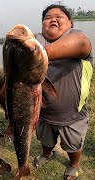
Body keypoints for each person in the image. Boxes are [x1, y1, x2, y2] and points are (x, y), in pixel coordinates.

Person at [33, 4, 93, 180]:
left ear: (71, 23)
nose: (52, 19)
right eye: (47, 17)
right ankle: (47, 154)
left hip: (72, 114)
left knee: (73, 145)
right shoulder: (36, 39)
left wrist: (36, 55)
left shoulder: (76, 37)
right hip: (43, 111)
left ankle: (74, 164)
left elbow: (81, 43)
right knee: (45, 139)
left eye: (59, 16)